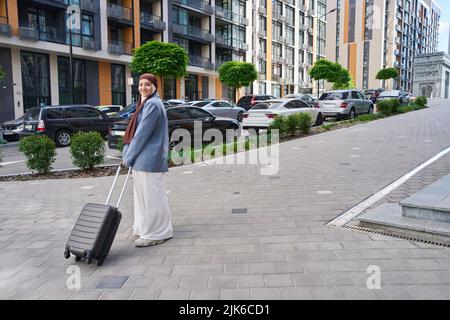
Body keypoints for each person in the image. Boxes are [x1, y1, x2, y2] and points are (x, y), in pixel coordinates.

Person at [121, 73, 173, 247]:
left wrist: (127, 158)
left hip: (148, 159)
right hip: (144, 160)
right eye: (141, 84)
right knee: (145, 197)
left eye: (148, 85)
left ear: (155, 87)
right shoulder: (146, 103)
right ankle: (145, 228)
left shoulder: (152, 105)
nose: (143, 87)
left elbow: (141, 135)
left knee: (151, 198)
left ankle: (156, 233)